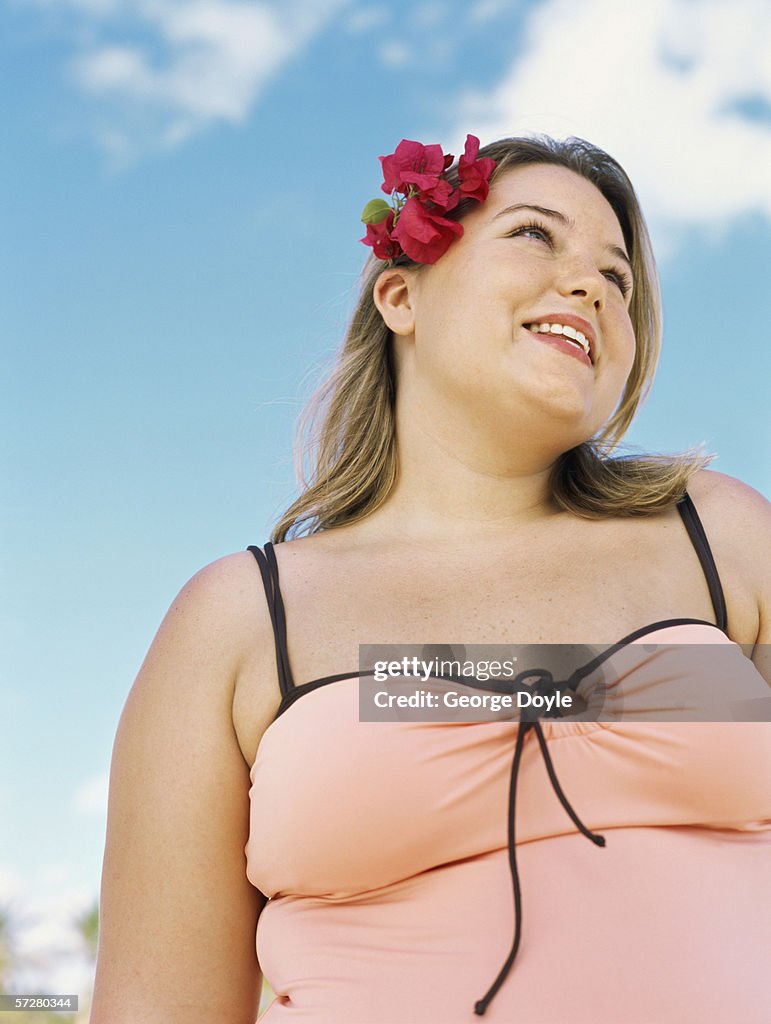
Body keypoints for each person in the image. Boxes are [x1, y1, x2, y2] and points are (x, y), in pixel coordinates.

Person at [90, 134, 771, 1024]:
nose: (592, 285)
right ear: (401, 295)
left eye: (620, 279)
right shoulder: (244, 620)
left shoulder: (718, 533)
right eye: (534, 234)